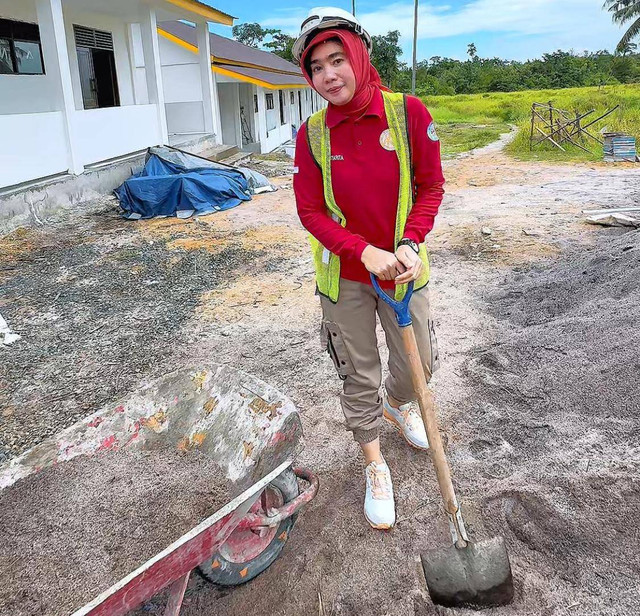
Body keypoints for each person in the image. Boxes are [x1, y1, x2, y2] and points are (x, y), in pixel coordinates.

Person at [292, 7, 445, 530]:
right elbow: (310, 210)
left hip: (403, 270)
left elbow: (431, 186)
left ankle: (402, 406)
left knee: (417, 363)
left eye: (337, 60)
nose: (329, 75)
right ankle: (375, 465)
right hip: (347, 280)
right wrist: (363, 252)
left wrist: (408, 241)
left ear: (359, 56)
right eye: (316, 68)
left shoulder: (408, 113)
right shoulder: (312, 134)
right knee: (358, 375)